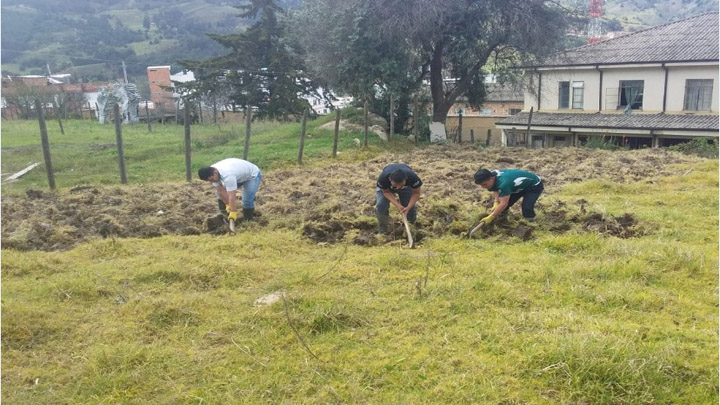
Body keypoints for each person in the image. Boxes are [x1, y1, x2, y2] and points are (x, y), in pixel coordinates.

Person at [198, 158, 262, 221]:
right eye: (209, 181)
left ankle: (248, 220)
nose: (211, 182)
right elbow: (220, 190)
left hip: (252, 175)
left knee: (246, 200)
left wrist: (233, 212)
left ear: (215, 173)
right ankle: (224, 216)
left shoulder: (228, 176)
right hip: (238, 174)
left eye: (211, 180)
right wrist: (227, 205)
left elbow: (232, 196)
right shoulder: (211, 173)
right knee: (219, 194)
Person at [473, 168, 543, 224]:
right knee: (501, 206)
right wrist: (496, 202)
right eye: (481, 185)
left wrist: (491, 216)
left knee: (527, 207)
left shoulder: (504, 183)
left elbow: (503, 203)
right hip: (516, 186)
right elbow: (496, 188)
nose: (483, 187)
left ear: (491, 179)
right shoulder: (492, 175)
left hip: (534, 185)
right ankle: (502, 221)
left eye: (484, 184)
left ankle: (531, 223)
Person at [375, 164, 423, 234]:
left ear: (406, 179)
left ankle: (410, 227)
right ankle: (383, 229)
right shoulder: (383, 178)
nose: (398, 188)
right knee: (381, 205)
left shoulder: (413, 178)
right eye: (395, 185)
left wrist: (408, 207)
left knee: (411, 208)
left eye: (401, 185)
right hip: (387, 189)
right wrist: (397, 205)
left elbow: (416, 193)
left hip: (406, 188)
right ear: (390, 179)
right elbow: (386, 192)